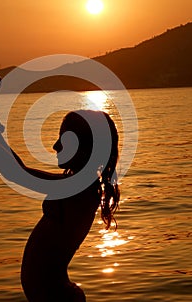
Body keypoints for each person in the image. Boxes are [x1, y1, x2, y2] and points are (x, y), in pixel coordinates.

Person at [20, 110, 120, 302]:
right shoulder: (75, 184)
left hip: (58, 296)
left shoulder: (80, 188)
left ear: (84, 148)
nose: (55, 146)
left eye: (64, 140)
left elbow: (21, 173)